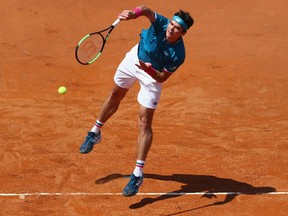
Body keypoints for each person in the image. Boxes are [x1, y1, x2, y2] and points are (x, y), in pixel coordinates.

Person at [79, 5, 194, 197]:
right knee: (115, 94)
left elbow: (162, 78)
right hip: (134, 59)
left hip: (151, 76)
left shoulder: (178, 54)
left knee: (144, 121)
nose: (171, 28)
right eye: (171, 24)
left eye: (176, 28)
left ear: (183, 33)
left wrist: (147, 69)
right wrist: (134, 14)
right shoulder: (161, 23)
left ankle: (137, 174)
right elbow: (147, 10)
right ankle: (94, 132)